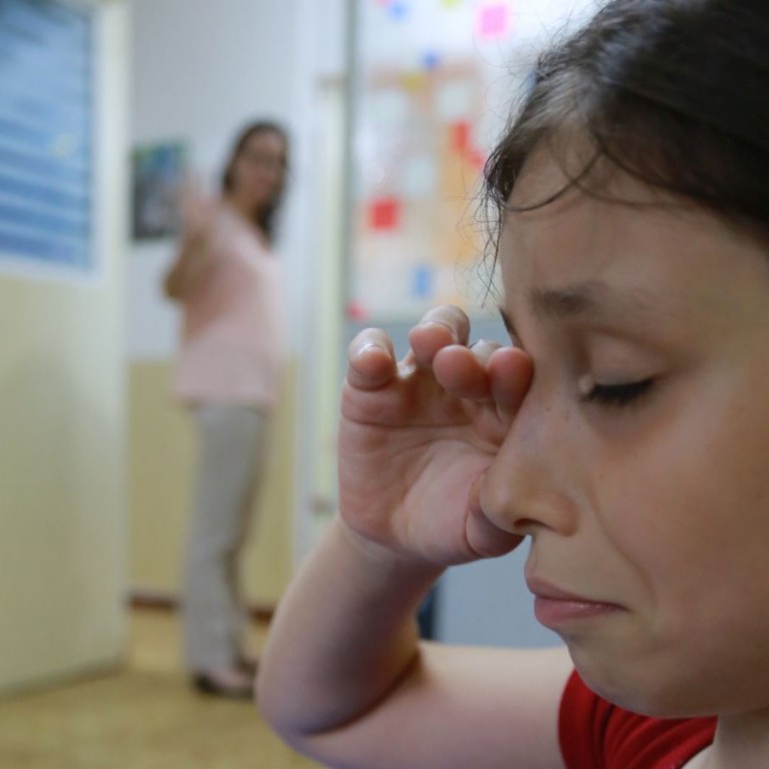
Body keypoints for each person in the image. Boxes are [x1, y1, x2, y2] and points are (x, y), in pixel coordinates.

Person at [256, 1, 769, 766]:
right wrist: (380, 546)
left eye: (616, 383)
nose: (503, 492)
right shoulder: (652, 730)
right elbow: (336, 710)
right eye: (529, 371)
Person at [163, 120, 290, 700]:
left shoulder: (252, 232)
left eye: (278, 162)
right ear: (234, 159)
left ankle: (228, 647)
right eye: (258, 156)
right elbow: (175, 287)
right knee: (215, 534)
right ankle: (209, 658)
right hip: (225, 391)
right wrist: (192, 238)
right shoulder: (211, 219)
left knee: (232, 535)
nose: (268, 170)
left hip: (251, 397)